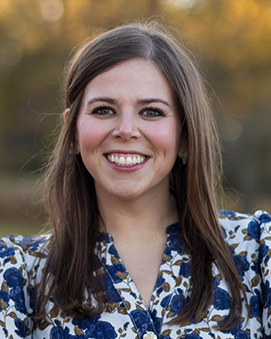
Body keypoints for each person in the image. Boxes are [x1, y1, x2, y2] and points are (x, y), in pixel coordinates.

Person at [0, 21, 270, 339]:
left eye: (152, 112)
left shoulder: (257, 252)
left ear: (185, 135)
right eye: (103, 110)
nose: (126, 129)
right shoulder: (16, 274)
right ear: (72, 131)